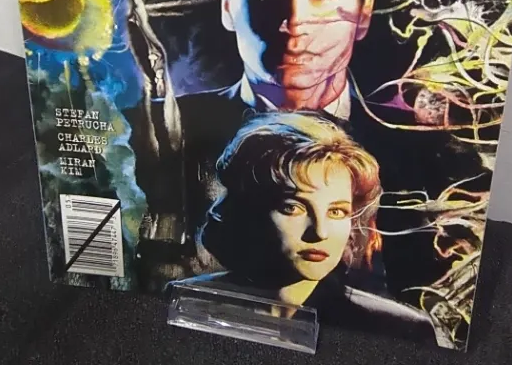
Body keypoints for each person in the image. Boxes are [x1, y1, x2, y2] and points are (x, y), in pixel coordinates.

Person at [167, 0, 487, 285]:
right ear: (228, 7)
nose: (295, 22)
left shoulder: (433, 159)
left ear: (364, 14)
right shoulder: (162, 136)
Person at [181, 111, 437, 344]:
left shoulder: (397, 329)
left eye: (337, 212)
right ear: (248, 210)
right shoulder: (189, 301)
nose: (320, 232)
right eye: (293, 208)